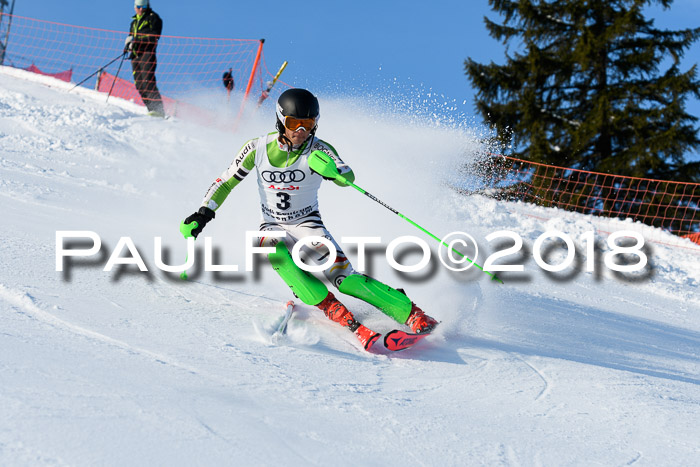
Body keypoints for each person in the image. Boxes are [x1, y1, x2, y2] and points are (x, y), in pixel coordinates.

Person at [181, 88, 438, 350]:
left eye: (308, 124)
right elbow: (224, 182)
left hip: (308, 225)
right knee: (274, 254)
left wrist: (332, 171)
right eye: (294, 124)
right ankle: (341, 316)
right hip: (272, 224)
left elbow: (347, 176)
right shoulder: (256, 148)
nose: (301, 131)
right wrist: (203, 213)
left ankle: (412, 314)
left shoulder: (320, 149)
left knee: (345, 279)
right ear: (281, 120)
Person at [124, 0, 164, 117]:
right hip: (136, 55)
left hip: (147, 53)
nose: (141, 9)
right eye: (139, 7)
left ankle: (158, 110)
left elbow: (154, 37)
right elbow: (131, 36)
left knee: (148, 81)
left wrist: (137, 40)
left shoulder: (153, 18)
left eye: (144, 6)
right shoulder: (134, 22)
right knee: (139, 84)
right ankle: (151, 109)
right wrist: (128, 45)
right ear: (135, 7)